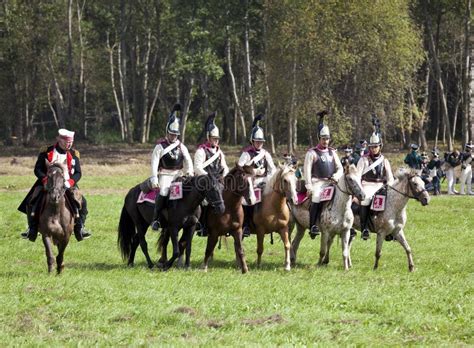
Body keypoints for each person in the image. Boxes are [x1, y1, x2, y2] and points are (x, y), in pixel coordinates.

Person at [18, 129, 91, 242]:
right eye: (67, 141)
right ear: (59, 139)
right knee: (31, 200)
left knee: (83, 202)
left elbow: (78, 173)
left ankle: (80, 228)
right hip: (47, 183)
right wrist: (45, 179)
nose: (69, 144)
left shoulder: (74, 154)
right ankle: (31, 229)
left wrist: (69, 182)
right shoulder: (46, 151)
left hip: (67, 184)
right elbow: (37, 169)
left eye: (71, 142)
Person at [151, 104, 194, 231]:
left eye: (175, 135)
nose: (173, 137)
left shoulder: (182, 146)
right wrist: (154, 179)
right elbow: (154, 163)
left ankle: (193, 219)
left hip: (179, 174)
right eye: (171, 134)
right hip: (165, 174)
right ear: (167, 133)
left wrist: (190, 172)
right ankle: (156, 219)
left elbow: (188, 160)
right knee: (164, 192)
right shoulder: (160, 146)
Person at [304, 111, 343, 239]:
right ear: (319, 139)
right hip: (317, 183)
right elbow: (307, 171)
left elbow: (340, 168)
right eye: (323, 139)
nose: (326, 141)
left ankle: (347, 224)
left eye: (327, 139)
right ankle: (313, 226)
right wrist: (309, 186)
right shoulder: (312, 153)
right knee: (316, 197)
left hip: (331, 182)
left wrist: (336, 176)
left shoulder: (332, 152)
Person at [238, 114, 276, 237]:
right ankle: (246, 225)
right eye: (257, 141)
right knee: (246, 201)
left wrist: (269, 179)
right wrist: (254, 172)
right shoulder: (246, 154)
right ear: (252, 141)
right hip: (251, 182)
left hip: (264, 181)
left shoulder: (266, 154)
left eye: (261, 141)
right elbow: (240, 168)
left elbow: (273, 169)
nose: (259, 143)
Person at [357, 116, 394, 240]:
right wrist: (359, 190)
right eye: (371, 147)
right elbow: (357, 176)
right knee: (366, 199)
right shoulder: (363, 160)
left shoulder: (385, 160)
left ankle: (389, 230)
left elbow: (390, 177)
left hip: (381, 186)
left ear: (380, 146)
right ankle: (364, 228)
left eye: (375, 146)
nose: (373, 149)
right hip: (367, 185)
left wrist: (389, 186)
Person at [194, 112, 229, 236]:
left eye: (217, 139)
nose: (216, 141)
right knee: (203, 201)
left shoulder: (220, 152)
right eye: (214, 138)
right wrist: (209, 178)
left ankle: (225, 225)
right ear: (208, 137)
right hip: (204, 181)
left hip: (217, 181)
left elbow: (224, 167)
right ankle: (201, 225)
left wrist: (224, 175)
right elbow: (197, 168)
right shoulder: (201, 151)